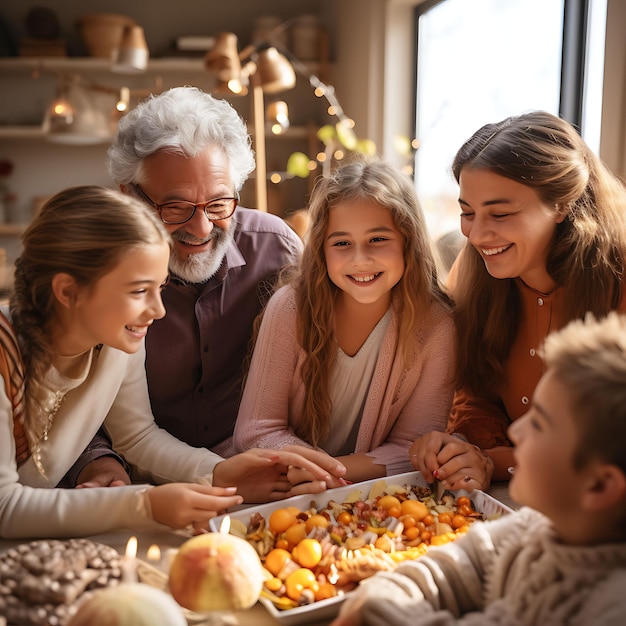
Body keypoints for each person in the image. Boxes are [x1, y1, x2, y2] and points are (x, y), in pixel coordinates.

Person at [0, 186, 344, 539]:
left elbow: (137, 437)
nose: (158, 311)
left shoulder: (117, 340)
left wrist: (219, 472)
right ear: (68, 291)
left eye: (160, 288)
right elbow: (4, 506)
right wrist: (145, 505)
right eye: (138, 291)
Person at [66, 86, 347, 491]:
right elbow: (68, 397)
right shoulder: (99, 272)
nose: (200, 229)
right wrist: (96, 462)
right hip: (132, 479)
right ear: (129, 195)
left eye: (218, 204)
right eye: (175, 207)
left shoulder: (277, 251)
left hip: (255, 476)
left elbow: (314, 376)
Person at [331, 311, 626, 626]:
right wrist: (382, 595)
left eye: (539, 424)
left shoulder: (611, 607)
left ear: (599, 486)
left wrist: (375, 608)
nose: (515, 432)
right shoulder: (531, 530)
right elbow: (446, 567)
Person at [410, 110, 626, 491]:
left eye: (501, 213)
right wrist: (463, 449)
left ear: (561, 204)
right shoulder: (478, 271)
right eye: (467, 213)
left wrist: (494, 462)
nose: (477, 235)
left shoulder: (618, 278)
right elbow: (475, 391)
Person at [233, 157, 456, 483]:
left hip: (375, 496)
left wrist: (330, 476)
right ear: (322, 248)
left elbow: (414, 448)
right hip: (286, 489)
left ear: (409, 242)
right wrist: (321, 476)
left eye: (378, 239)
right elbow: (256, 431)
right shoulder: (291, 308)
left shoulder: (436, 327)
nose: (360, 259)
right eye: (342, 243)